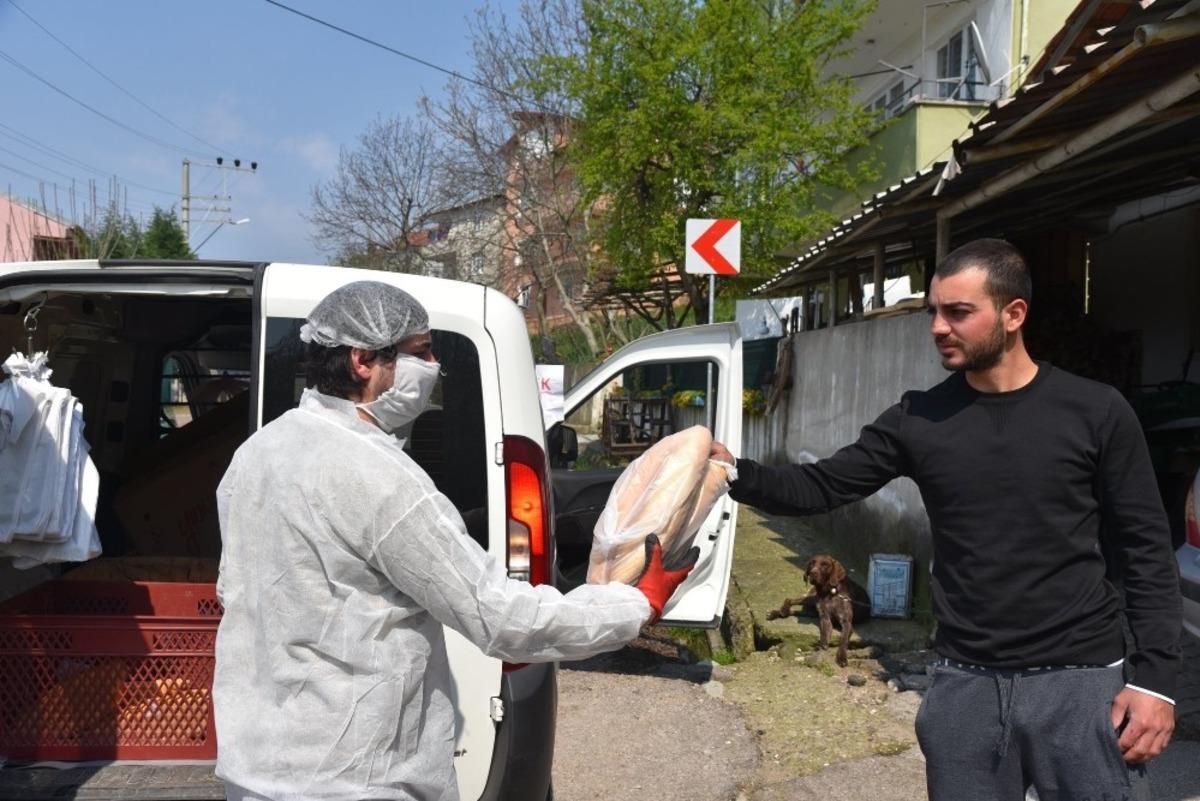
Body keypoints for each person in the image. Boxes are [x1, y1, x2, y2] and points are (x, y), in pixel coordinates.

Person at [712, 239, 1181, 801]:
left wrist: (1155, 682)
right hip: (966, 686)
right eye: (933, 310)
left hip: (1080, 680)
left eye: (958, 312)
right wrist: (731, 472)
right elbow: (821, 484)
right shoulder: (920, 419)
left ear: (1013, 315)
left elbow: (1147, 553)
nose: (938, 326)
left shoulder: (1097, 411)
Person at [212, 281, 696, 801]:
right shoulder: (378, 477)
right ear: (362, 360)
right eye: (421, 351)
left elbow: (236, 591)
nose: (436, 365)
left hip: (258, 766)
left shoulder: (259, 452)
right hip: (353, 778)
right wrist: (632, 606)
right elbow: (501, 618)